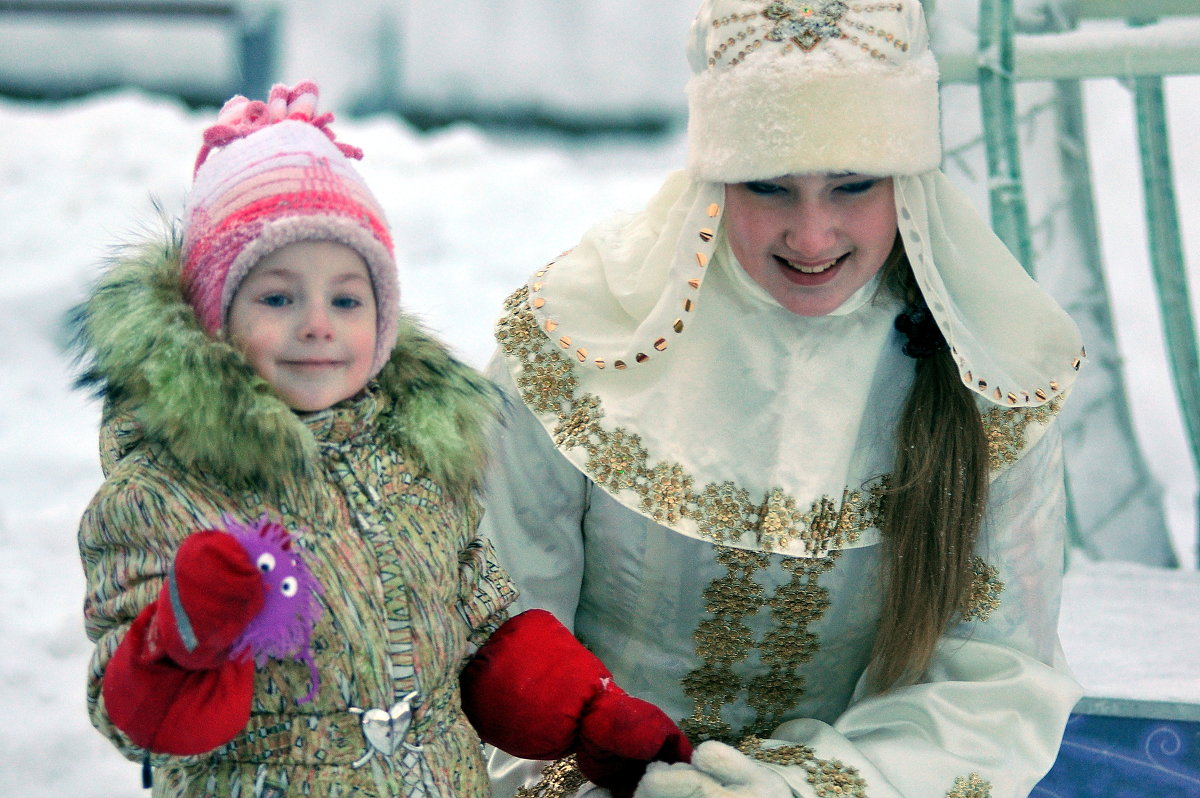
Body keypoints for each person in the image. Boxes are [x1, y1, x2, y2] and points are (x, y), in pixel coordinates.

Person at [478, 2, 1086, 797]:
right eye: (769, 187)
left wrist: (800, 789)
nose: (811, 234)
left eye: (852, 185)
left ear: (908, 179)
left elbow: (994, 678)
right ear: (713, 176)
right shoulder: (575, 347)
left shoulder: (990, 373)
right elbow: (494, 641)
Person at [73, 81, 516, 796]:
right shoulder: (162, 492)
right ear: (214, 317)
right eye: (278, 298)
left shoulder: (417, 457)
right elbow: (137, 719)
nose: (318, 324)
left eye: (347, 299)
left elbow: (483, 618)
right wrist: (185, 634)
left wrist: (576, 705)